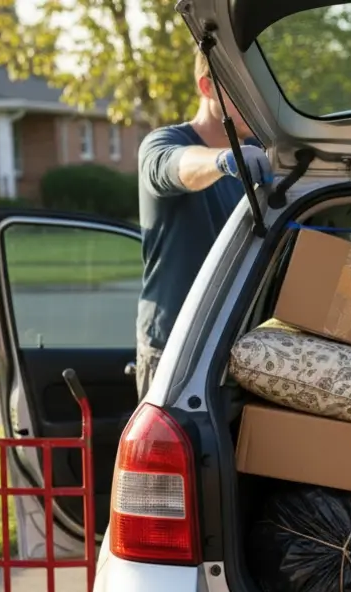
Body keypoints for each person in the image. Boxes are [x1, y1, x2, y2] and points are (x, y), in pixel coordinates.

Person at [134, 49, 273, 397]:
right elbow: (175, 166)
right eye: (241, 90)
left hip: (237, 347)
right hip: (173, 350)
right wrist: (224, 160)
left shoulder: (264, 153)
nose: (255, 102)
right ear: (207, 87)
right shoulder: (164, 143)